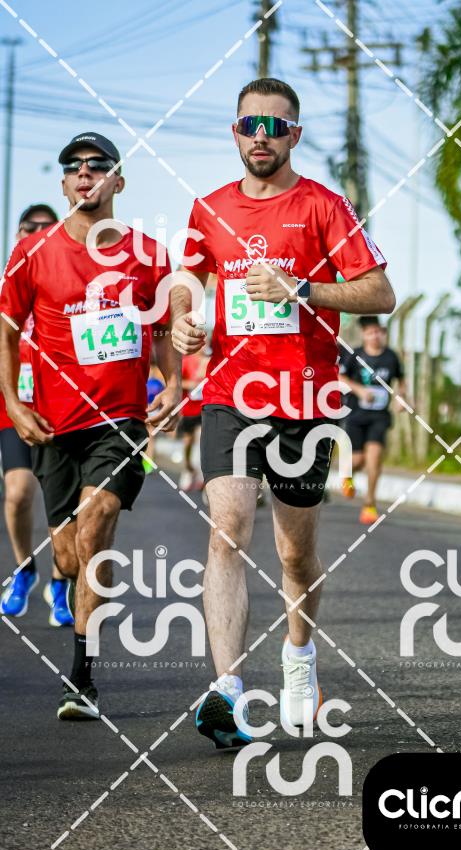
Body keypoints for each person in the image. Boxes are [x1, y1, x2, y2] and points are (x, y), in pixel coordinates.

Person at [171, 78, 395, 750]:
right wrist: (184, 325)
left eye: (275, 125)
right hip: (230, 395)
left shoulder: (324, 206)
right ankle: (228, 691)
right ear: (235, 132)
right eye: (250, 124)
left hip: (305, 400)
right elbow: (188, 286)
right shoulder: (209, 209)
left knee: (295, 556)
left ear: (294, 134)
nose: (261, 136)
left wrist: (301, 288)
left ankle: (300, 655)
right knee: (227, 530)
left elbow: (380, 292)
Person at [0, 131, 181, 720]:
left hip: (119, 421)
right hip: (53, 425)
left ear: (117, 181)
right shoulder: (33, 252)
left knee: (97, 522)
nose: (85, 173)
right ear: (63, 184)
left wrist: (172, 381)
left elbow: (161, 329)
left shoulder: (148, 254)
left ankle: (82, 676)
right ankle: (62, 577)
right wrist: (14, 402)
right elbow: (7, 330)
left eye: (98, 165)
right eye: (74, 166)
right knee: (69, 551)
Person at [0, 203, 74, 626]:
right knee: (18, 493)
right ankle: (24, 569)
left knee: (63, 505)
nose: (38, 233)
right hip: (14, 409)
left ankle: (60, 582)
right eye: (30, 227)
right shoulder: (8, 282)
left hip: (59, 408)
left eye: (47, 228)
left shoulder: (64, 279)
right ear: (17, 234)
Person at [339, 315, 405, 525]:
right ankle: (347, 474)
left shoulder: (391, 357)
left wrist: (401, 398)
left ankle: (370, 504)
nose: (375, 336)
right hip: (356, 415)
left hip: (379, 416)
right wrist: (359, 390)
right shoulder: (355, 355)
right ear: (364, 335)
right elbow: (340, 377)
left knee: (374, 457)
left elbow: (401, 381)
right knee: (359, 460)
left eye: (378, 332)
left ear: (383, 333)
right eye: (370, 333)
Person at [178, 344, 210, 491]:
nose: (204, 347)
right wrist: (191, 383)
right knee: (188, 441)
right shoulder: (187, 361)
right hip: (189, 408)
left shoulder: (210, 361)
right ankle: (188, 468)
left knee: (203, 439)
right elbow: (177, 382)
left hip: (205, 407)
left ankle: (201, 474)